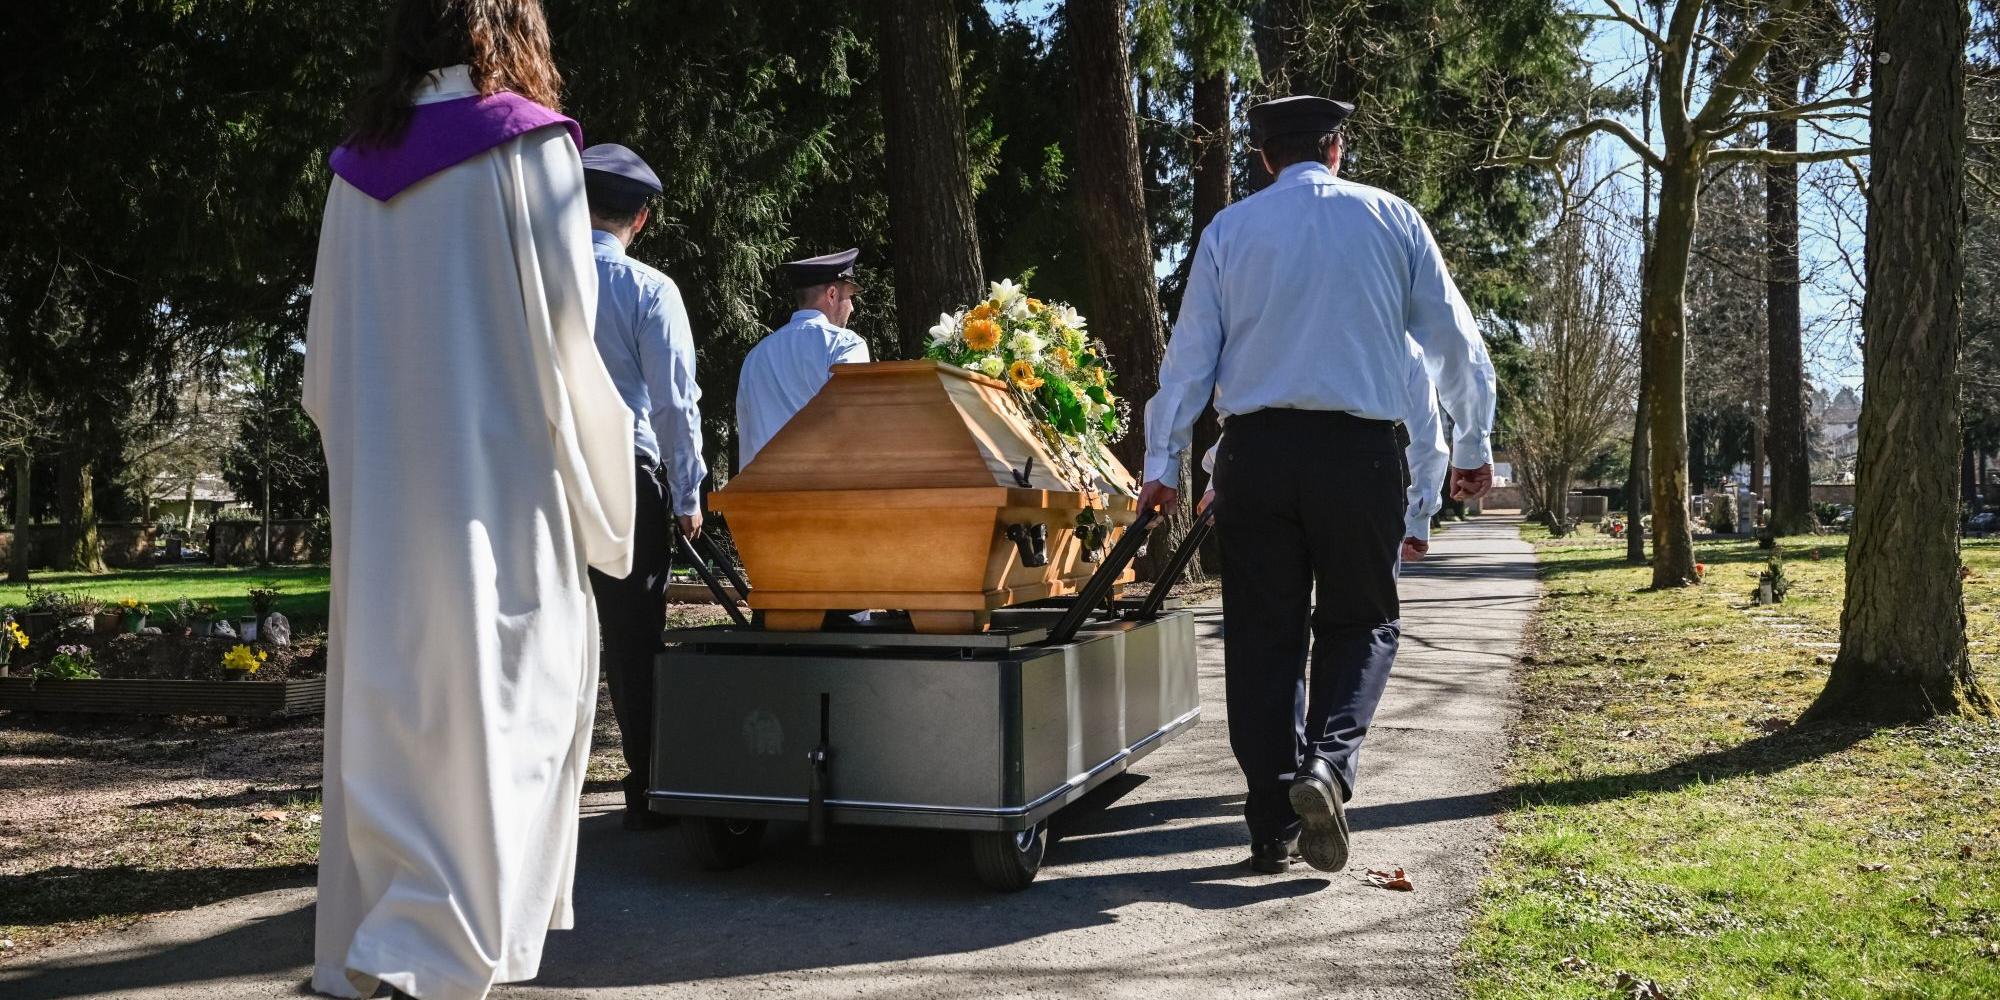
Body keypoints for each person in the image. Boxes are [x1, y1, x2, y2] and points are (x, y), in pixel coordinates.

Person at [304, 2, 635, 996]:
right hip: (500, 484)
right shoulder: (526, 146)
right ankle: (440, 954)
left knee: (396, 706)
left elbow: (323, 368)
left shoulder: (355, 173)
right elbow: (568, 337)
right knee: (513, 697)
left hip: (386, 491)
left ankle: (387, 938)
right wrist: (600, 489)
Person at [1137, 95, 1496, 876]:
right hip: (1357, 454)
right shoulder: (1393, 219)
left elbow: (1189, 359)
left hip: (1254, 456)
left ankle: (1272, 826)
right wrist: (1471, 443)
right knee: (1360, 622)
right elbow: (1452, 342)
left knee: (1262, 640)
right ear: (1336, 149)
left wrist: (1161, 466)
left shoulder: (1229, 231)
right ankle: (1328, 766)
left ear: (1266, 158)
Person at [578, 142, 706, 830]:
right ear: (642, 218)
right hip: (623, 474)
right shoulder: (650, 289)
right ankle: (649, 785)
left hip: (544, 474)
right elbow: (673, 404)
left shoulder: (535, 283)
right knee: (632, 637)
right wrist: (688, 496)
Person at [1202, 336, 1449, 568]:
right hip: (1363, 463)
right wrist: (1419, 518)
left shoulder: (1286, 326)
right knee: (1361, 594)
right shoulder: (1399, 336)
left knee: (1269, 592)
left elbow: (1252, 413)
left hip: (1275, 465)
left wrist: (1219, 479)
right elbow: (1426, 433)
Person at [735, 249, 870, 469]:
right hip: (823, 487)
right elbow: (854, 422)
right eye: (850, 297)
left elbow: (748, 441)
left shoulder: (756, 356)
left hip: (764, 488)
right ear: (832, 295)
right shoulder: (846, 345)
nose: (852, 307)